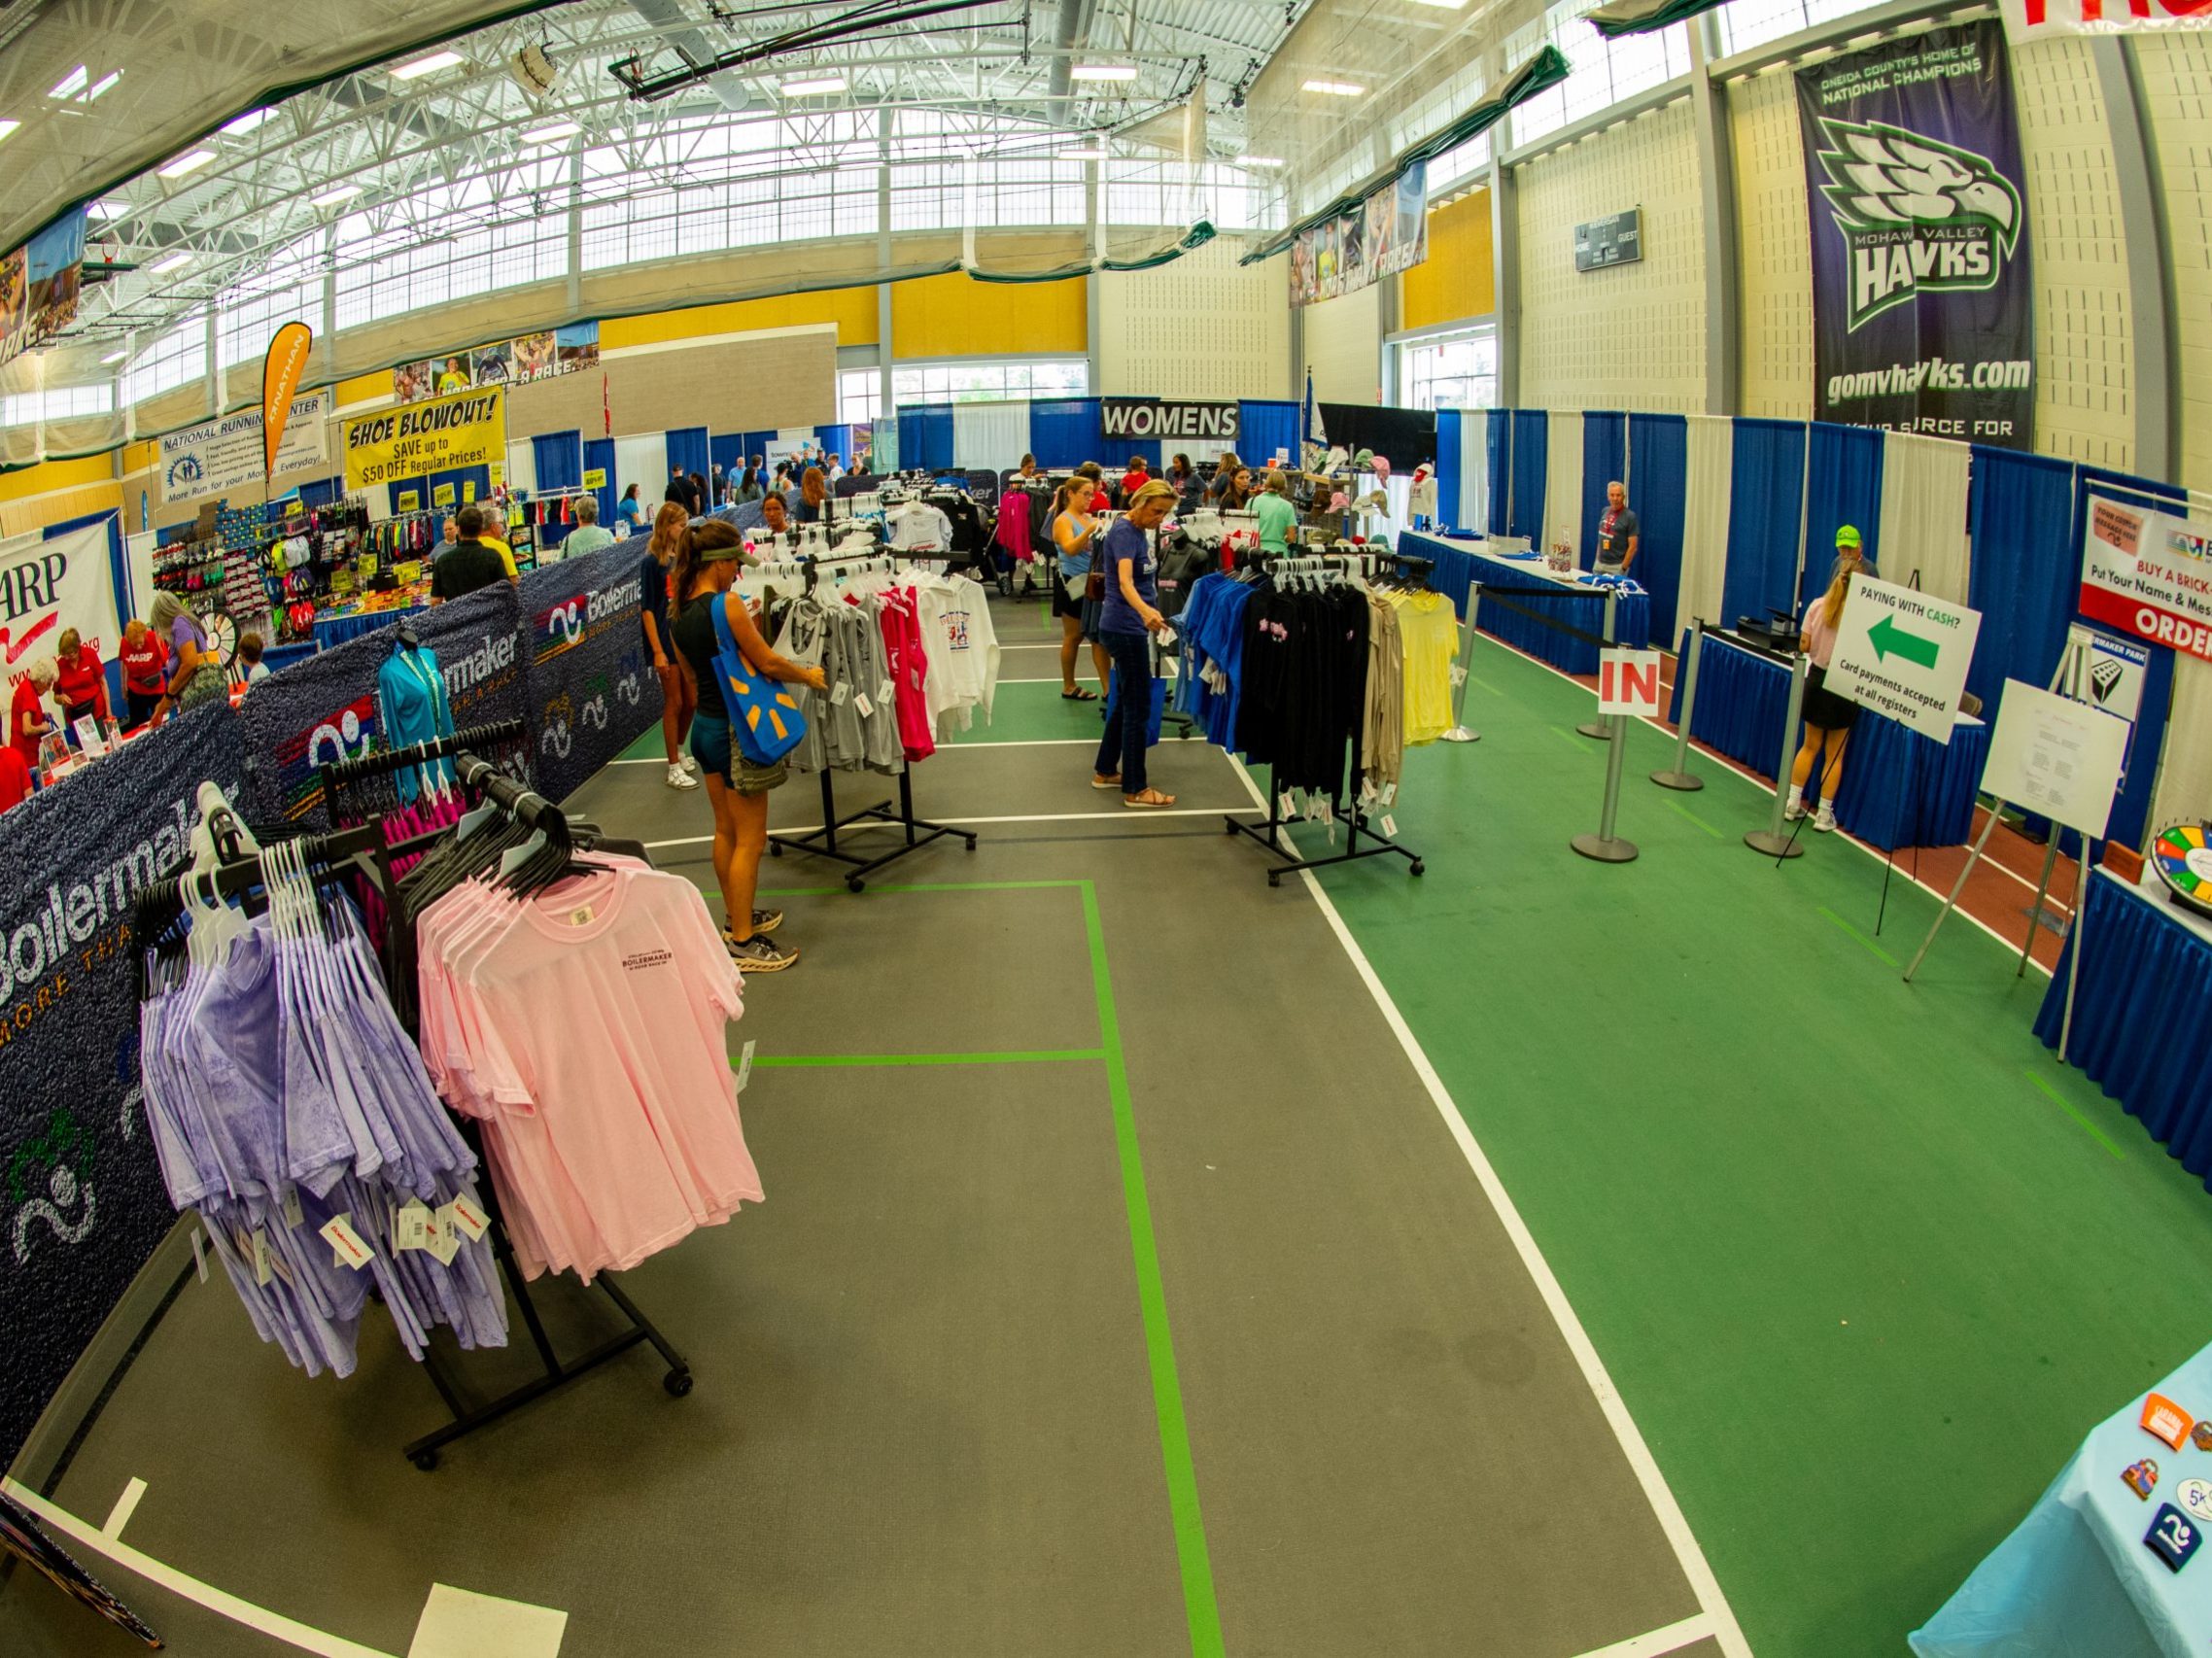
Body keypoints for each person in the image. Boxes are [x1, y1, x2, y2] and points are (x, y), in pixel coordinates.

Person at [669, 519, 828, 972]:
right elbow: (768, 661)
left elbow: (692, 681)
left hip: (705, 729)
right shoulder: (728, 606)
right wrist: (808, 675)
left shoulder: (676, 611)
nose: (738, 573)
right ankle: (742, 941)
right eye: (734, 564)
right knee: (752, 839)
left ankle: (734, 916)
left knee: (726, 831)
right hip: (738, 733)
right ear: (718, 565)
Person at [1091, 479, 1178, 809]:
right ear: (1139, 503)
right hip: (1125, 630)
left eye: (1165, 513)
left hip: (1126, 627)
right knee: (1138, 709)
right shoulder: (1125, 533)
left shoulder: (1138, 530)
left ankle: (1104, 770)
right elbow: (1125, 581)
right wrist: (1146, 612)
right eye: (1156, 511)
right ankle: (1136, 788)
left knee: (1127, 701)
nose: (1160, 518)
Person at [1785, 528, 1869, 833]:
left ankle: (1792, 804)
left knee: (1809, 746)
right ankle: (1823, 815)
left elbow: (1805, 645)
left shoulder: (1817, 606)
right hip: (1844, 686)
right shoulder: (1861, 615)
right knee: (1835, 754)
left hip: (1816, 681)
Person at [641, 502, 698, 791]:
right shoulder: (652, 562)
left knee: (691, 701)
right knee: (674, 702)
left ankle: (679, 748)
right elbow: (648, 609)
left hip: (684, 636)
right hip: (665, 639)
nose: (684, 529)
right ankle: (672, 766)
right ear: (666, 526)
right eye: (680, 525)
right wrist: (658, 651)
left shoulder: (685, 557)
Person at [1050, 475, 1111, 703]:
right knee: (1074, 636)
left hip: (1092, 583)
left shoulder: (1088, 518)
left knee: (1097, 635)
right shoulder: (1063, 521)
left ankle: (1108, 690)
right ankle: (1069, 685)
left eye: (1092, 494)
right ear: (1070, 494)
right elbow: (1070, 548)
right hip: (1072, 583)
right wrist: (1090, 530)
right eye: (1086, 493)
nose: (1090, 498)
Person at [149, 593, 225, 723]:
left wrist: (168, 697)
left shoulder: (179, 624)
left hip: (199, 703)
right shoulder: (189, 622)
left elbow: (190, 662)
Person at [429, 505, 508, 604]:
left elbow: (435, 601)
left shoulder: (442, 562)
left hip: (456, 617)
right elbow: (506, 593)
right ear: (480, 529)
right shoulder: (493, 557)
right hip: (487, 616)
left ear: (459, 530)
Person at [51, 628, 111, 734]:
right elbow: (55, 696)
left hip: (97, 712)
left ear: (78, 648)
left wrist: (108, 711)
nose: (67, 657)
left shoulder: (90, 654)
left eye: (70, 654)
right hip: (76, 718)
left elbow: (103, 683)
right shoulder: (60, 665)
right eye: (64, 654)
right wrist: (61, 698)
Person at [119, 618, 167, 731]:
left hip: (156, 687)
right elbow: (124, 664)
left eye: (140, 643)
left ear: (145, 635)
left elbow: (167, 662)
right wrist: (123, 687)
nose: (138, 647)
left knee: (161, 721)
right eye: (134, 645)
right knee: (136, 724)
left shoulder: (155, 638)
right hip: (136, 689)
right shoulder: (124, 642)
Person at [10, 658, 57, 771]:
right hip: (26, 758)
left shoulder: (25, 686)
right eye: (49, 683)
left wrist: (41, 716)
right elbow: (27, 729)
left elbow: (27, 716)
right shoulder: (29, 694)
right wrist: (43, 727)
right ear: (42, 680)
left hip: (21, 754)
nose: (50, 688)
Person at [1595, 479, 1639, 576]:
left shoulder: (1630, 516)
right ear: (1608, 496)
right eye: (1612, 495)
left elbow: (1633, 547)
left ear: (1623, 497)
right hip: (1599, 565)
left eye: (1618, 495)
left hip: (1616, 567)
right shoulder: (1604, 511)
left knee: (1614, 592)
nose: (1615, 498)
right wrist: (1597, 559)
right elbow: (1601, 537)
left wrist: (1623, 568)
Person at [1254, 468, 1299, 555]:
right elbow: (1291, 537)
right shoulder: (1287, 506)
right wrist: (1283, 538)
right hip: (1278, 554)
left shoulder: (1251, 502)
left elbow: (1245, 530)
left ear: (1266, 484)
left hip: (1255, 552)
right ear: (1284, 487)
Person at [561, 494, 616, 558]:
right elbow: (616, 561)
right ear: (596, 514)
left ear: (578, 515)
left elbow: (558, 566)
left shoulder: (568, 541)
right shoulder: (607, 535)